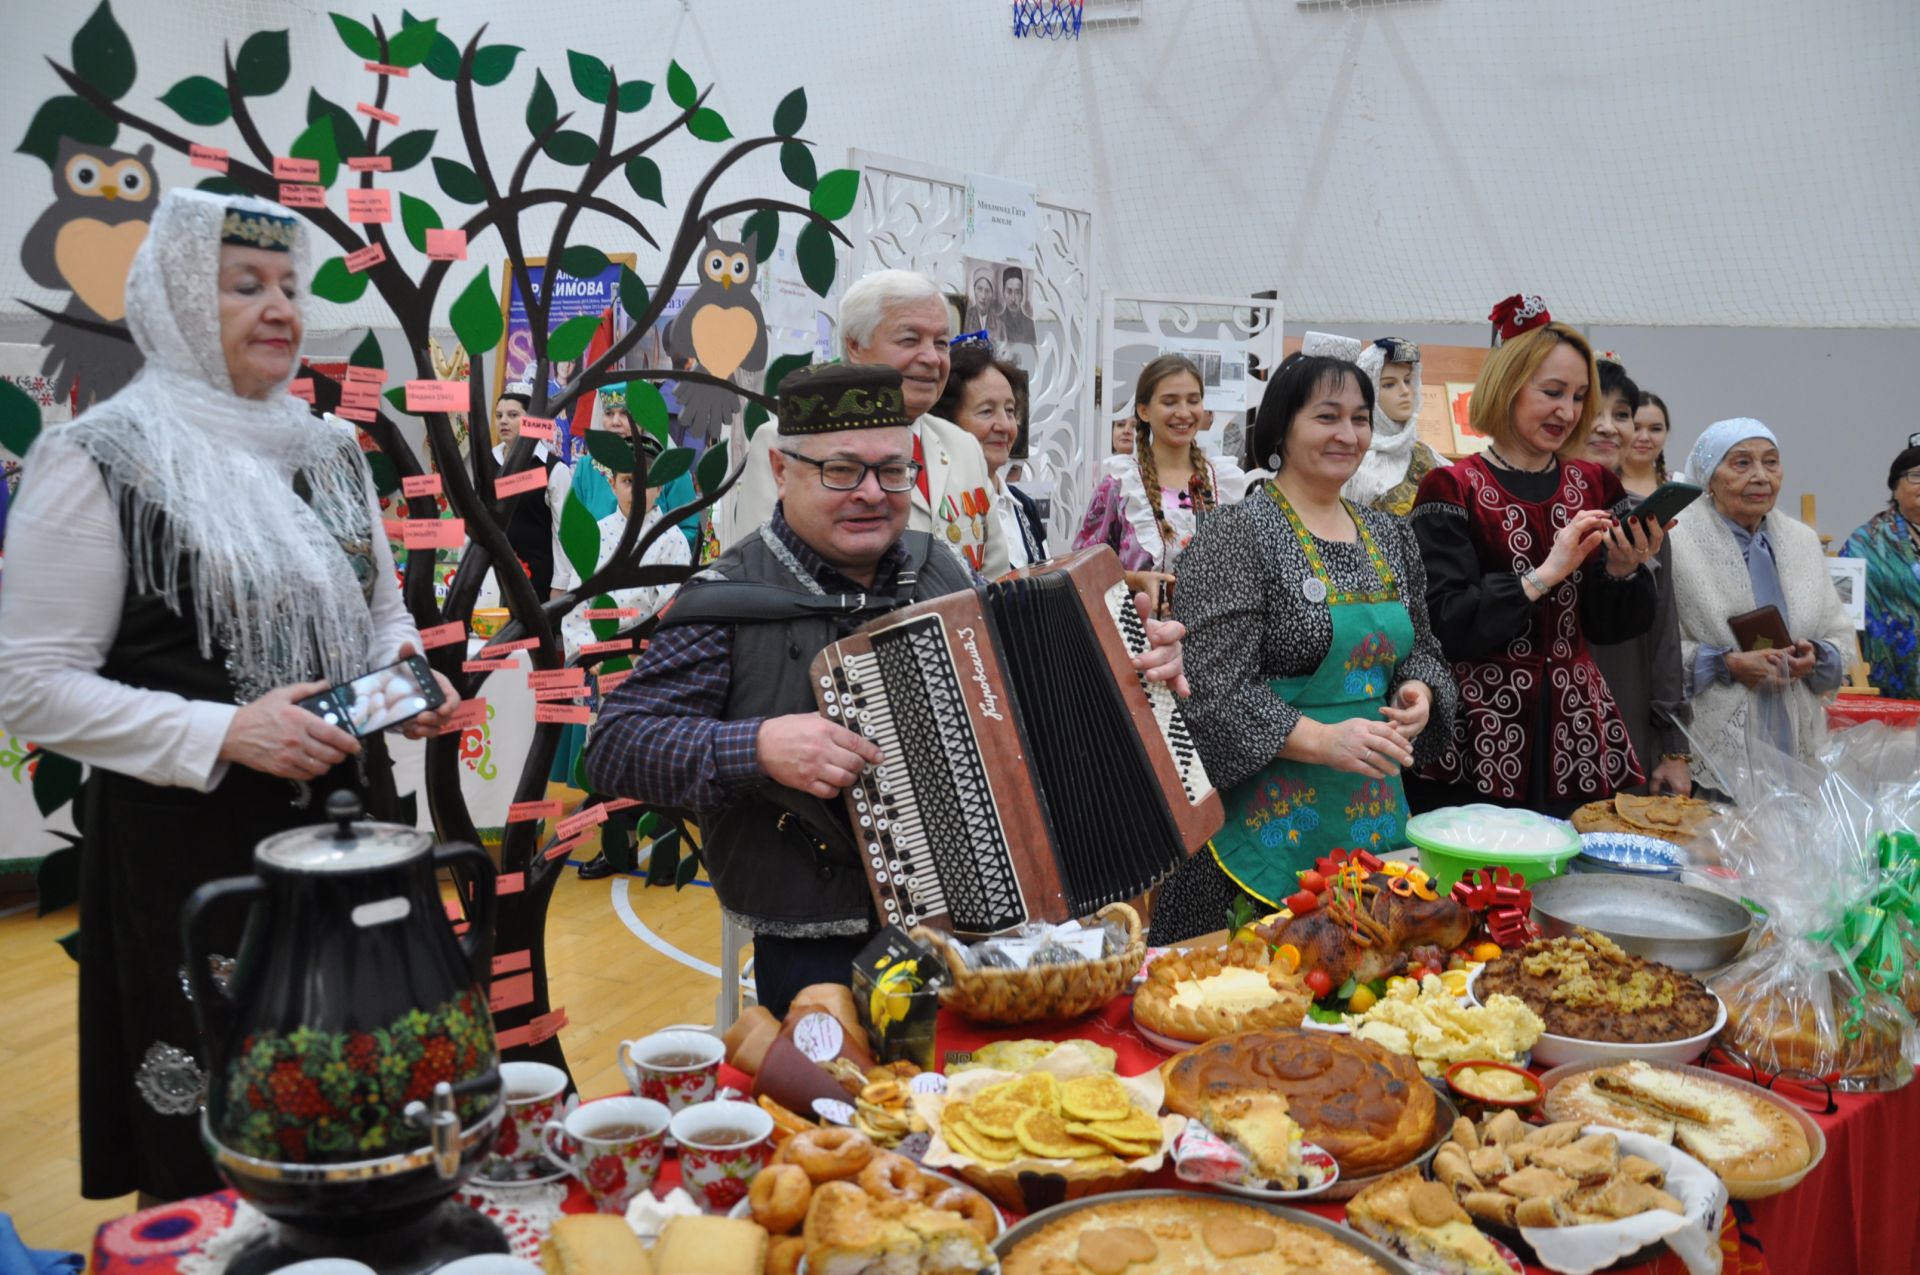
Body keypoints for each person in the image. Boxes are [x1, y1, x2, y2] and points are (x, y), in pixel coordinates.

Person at [0, 191, 459, 1202]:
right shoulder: (97, 458)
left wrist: (410, 680)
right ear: (169, 300)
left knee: (366, 1088)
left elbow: (382, 614)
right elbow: (27, 685)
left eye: (290, 285)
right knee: (229, 1130)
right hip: (196, 854)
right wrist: (224, 730)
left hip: (352, 829)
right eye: (244, 285)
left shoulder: (330, 450)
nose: (280, 307)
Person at [582, 363, 1187, 1015]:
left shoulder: (938, 566)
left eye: (893, 471)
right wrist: (756, 746)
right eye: (841, 470)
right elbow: (615, 745)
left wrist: (1137, 674)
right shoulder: (728, 597)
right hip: (818, 947)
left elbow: (1017, 700)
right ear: (783, 471)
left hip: (980, 926)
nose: (872, 492)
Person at [1146, 353, 1456, 942]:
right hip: (1255, 837)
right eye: (1327, 417)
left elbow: (1420, 649)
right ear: (1282, 428)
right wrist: (1322, 740)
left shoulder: (1390, 535)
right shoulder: (1238, 534)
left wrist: (1418, 690)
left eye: (1361, 419)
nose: (1349, 435)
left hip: (1373, 819)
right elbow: (1210, 690)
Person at [1406, 295, 1661, 816]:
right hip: (1475, 731)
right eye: (1552, 392)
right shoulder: (1451, 487)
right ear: (1508, 387)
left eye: (1578, 396)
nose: (1567, 412)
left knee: (1565, 882)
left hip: (1576, 728)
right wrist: (1544, 575)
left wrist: (1621, 570)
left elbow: (1609, 627)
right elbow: (1442, 622)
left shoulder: (1595, 483)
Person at [723, 270, 1007, 576]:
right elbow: (762, 574)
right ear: (855, 346)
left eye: (941, 343)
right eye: (910, 340)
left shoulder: (962, 445)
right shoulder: (786, 442)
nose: (932, 358)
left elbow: (994, 579)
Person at [1671, 419, 1854, 774]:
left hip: (1797, 737)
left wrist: (1815, 657)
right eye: (1741, 463)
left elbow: (1839, 635)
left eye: (1771, 462)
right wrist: (1728, 664)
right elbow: (1654, 649)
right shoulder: (1676, 540)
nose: (1760, 476)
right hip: (1709, 740)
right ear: (1710, 477)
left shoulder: (1801, 541)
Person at [565, 442, 693, 880]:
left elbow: (670, 608)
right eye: (627, 481)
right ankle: (616, 847)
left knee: (655, 756)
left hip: (647, 666)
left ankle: (663, 851)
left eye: (648, 483)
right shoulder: (595, 534)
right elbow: (576, 602)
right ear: (612, 482)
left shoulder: (672, 539)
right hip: (604, 667)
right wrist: (591, 653)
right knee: (603, 758)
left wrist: (643, 658)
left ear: (661, 486)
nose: (638, 491)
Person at [1580, 358, 1693, 796]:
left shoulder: (1643, 518)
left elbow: (1665, 637)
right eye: (1595, 411)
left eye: (1621, 414)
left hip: (1622, 723)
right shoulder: (1528, 509)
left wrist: (1673, 748)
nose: (1608, 427)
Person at [1074, 354, 1262, 608]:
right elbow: (1082, 570)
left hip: (1211, 641)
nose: (1183, 412)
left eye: (1193, 401)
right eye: (1170, 402)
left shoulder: (1223, 484)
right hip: (1138, 639)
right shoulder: (1120, 486)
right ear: (1144, 411)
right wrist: (1136, 580)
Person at [931, 341, 1047, 569]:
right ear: (948, 422)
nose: (1005, 425)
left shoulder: (1024, 507)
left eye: (1010, 411)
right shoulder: (938, 509)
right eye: (986, 411)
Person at [567, 382, 700, 555]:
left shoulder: (669, 467)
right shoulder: (587, 468)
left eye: (625, 413)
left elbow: (689, 529)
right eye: (609, 413)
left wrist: (645, 553)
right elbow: (572, 528)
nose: (615, 422)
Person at [1841, 443, 1920, 698]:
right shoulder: (1866, 543)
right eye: (1916, 476)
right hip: (1890, 682)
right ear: (1895, 488)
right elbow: (1840, 609)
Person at [1345, 337, 1447, 516]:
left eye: (1408, 381)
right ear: (1369, 392)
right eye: (1389, 384)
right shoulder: (1354, 463)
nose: (1405, 391)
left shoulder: (1430, 457)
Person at [492, 381, 573, 597]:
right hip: (492, 577)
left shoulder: (554, 469)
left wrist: (560, 585)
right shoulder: (488, 462)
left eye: (512, 415)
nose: (504, 421)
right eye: (499, 416)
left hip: (537, 580)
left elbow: (563, 532)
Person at [1624, 390, 1678, 496]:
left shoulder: (1679, 485)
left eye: (1655, 429)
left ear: (1666, 432)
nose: (1644, 437)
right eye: (1635, 428)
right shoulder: (1599, 485)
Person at [998, 267, 1037, 347]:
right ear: (1003, 293)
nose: (1013, 299)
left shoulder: (1030, 326)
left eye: (1017, 292)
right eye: (1009, 291)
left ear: (1022, 295)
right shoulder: (996, 323)